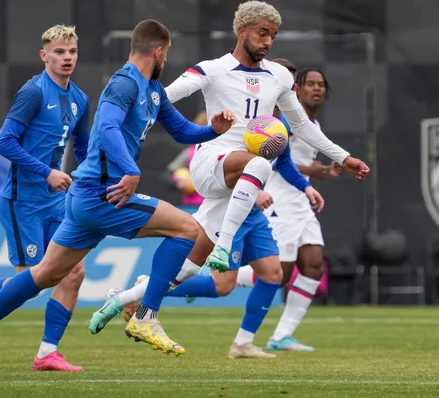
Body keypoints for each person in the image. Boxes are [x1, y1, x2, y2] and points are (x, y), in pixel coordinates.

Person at [0, 19, 235, 379]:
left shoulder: (153, 88)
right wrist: (130, 170)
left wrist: (212, 130)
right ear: (159, 52)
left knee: (46, 275)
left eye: (72, 51)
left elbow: (180, 131)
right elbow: (109, 127)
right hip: (104, 193)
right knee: (189, 230)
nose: (68, 58)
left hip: (84, 195)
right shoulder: (124, 83)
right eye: (167, 53)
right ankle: (146, 316)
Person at [96, 114, 324, 359]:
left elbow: (282, 162)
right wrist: (251, 191)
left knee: (274, 274)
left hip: (255, 213)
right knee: (221, 285)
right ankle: (139, 291)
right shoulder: (238, 119)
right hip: (229, 211)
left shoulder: (277, 122)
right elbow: (224, 166)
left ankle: (243, 344)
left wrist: (307, 185)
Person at [166, 0, 369, 274]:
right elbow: (165, 98)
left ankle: (129, 301)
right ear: (241, 30)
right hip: (211, 163)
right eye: (262, 33)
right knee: (260, 164)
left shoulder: (279, 76)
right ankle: (224, 246)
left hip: (241, 178)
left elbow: (303, 126)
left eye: (273, 35)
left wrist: (343, 157)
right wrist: (195, 132)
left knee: (189, 268)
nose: (268, 41)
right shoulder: (213, 69)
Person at [0, 24, 89, 372]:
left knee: (74, 272)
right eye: (59, 52)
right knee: (32, 283)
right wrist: (48, 173)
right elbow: (5, 142)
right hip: (22, 200)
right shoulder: (34, 92)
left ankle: (47, 353)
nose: (66, 57)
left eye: (71, 52)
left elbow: (83, 149)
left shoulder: (80, 98)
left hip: (55, 201)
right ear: (44, 55)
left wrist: (95, 175)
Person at [238, 68, 343, 352]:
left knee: (313, 266)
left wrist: (318, 175)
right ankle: (203, 278)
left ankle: (280, 336)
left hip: (301, 203)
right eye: (310, 84)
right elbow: (276, 161)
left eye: (321, 84)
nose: (316, 88)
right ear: (297, 89)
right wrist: (316, 171)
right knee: (277, 274)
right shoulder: (286, 121)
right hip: (281, 202)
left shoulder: (313, 125)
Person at [165, 111, 207, 206]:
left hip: (215, 204)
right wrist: (178, 182)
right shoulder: (190, 152)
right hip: (193, 206)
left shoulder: (224, 151)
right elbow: (168, 173)